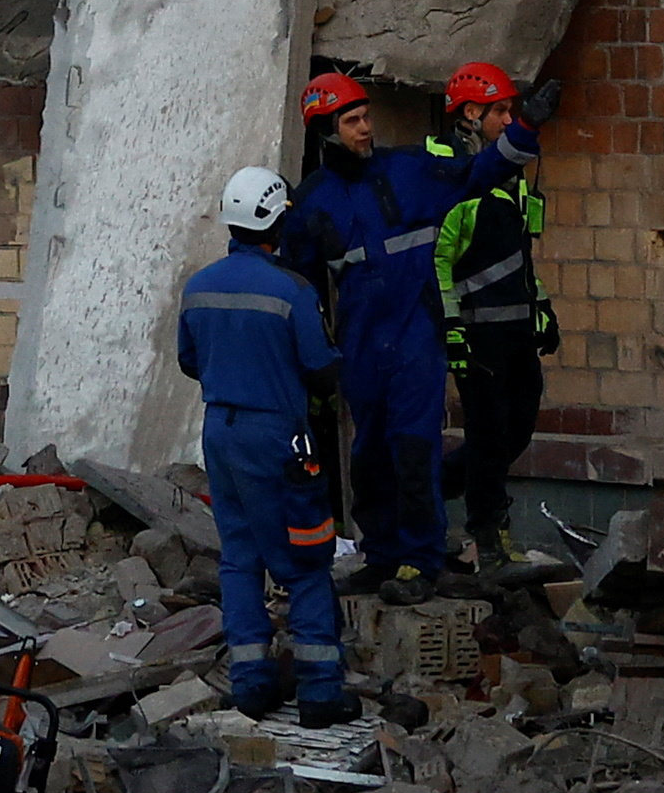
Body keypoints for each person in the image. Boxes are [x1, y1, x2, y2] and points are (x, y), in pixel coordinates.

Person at [176, 166, 357, 722]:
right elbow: (320, 368)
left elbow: (189, 362)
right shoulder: (292, 289)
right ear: (277, 221)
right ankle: (321, 691)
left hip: (221, 434)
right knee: (305, 559)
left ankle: (251, 682)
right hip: (278, 436)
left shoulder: (198, 286)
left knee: (240, 557)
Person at [280, 65, 456, 594]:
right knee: (370, 453)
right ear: (327, 130)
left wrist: (515, 136)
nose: (365, 128)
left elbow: (475, 175)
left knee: (412, 447)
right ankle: (381, 555)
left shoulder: (406, 169)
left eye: (365, 117)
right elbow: (301, 283)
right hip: (360, 345)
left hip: (414, 336)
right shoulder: (312, 200)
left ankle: (423, 561)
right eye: (353, 120)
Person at [423, 61, 559, 568]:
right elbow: (439, 259)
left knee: (516, 430)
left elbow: (518, 254)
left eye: (511, 110)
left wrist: (541, 305)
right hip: (478, 332)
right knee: (488, 435)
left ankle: (428, 491)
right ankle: (488, 535)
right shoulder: (451, 173)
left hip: (516, 331)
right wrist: (452, 327)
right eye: (500, 110)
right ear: (469, 113)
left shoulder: (510, 177)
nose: (508, 119)